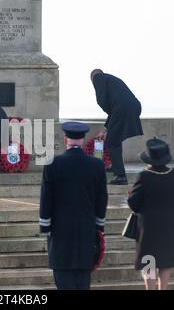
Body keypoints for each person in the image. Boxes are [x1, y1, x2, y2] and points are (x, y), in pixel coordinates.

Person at [39, 122, 108, 290]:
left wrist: (45, 226)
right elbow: (102, 198)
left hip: (60, 230)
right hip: (86, 229)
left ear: (65, 140)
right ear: (83, 140)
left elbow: (46, 198)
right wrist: (99, 225)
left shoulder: (52, 164)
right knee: (83, 281)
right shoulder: (97, 165)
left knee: (63, 281)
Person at [128, 138, 174, 290]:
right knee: (166, 262)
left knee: (149, 261)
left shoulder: (144, 176)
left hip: (148, 227)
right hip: (170, 225)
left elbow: (133, 203)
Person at [91, 69, 143, 185]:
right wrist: (104, 130)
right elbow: (114, 112)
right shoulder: (112, 80)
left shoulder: (97, 78)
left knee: (112, 141)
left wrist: (105, 108)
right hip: (133, 107)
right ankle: (115, 166)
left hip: (123, 109)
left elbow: (101, 101)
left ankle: (120, 176)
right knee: (115, 139)